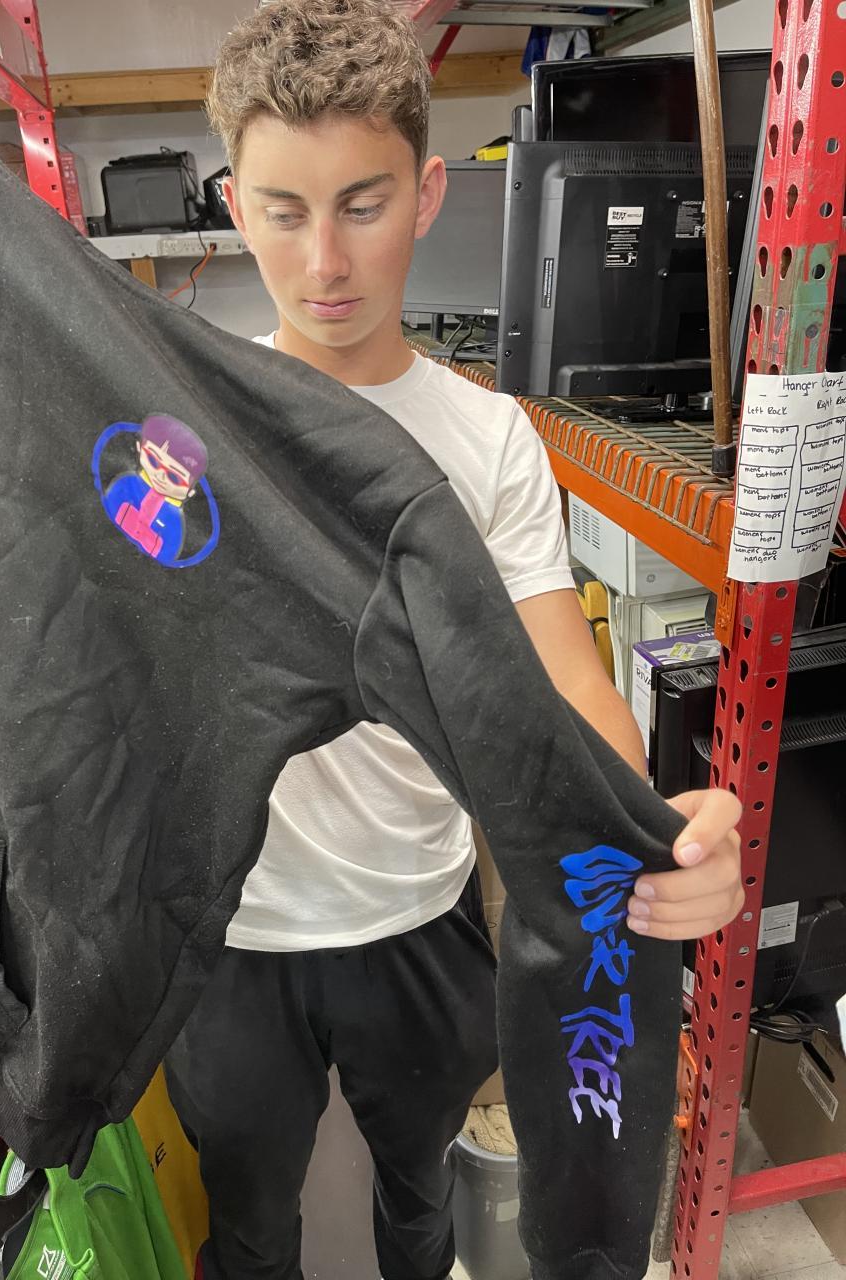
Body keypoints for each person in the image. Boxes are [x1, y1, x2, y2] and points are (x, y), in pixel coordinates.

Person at [164, 3, 744, 1277]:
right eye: (282, 211)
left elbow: (568, 683)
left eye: (362, 205)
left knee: (418, 1198)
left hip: (417, 916)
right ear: (234, 203)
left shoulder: (490, 444)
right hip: (232, 932)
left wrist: (660, 834)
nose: (324, 260)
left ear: (427, 195)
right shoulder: (185, 430)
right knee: (247, 1224)